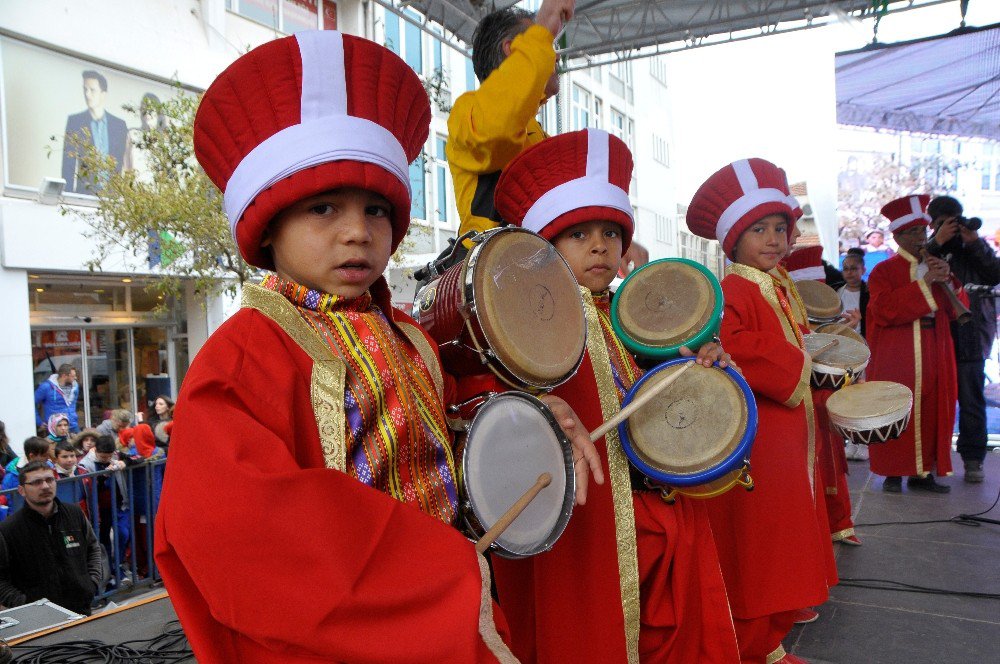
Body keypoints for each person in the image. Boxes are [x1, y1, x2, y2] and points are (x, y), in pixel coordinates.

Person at [154, 30, 601, 664]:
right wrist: (432, 568)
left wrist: (523, 419)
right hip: (345, 639)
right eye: (323, 208)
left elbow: (443, 436)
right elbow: (239, 531)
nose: (357, 233)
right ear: (267, 226)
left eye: (376, 210)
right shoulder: (242, 356)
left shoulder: (410, 337)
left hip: (450, 614)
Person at [454, 128, 739, 662]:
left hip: (643, 505)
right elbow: (487, 401)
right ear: (542, 247)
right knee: (582, 631)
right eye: (578, 233)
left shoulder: (630, 316)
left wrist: (700, 364)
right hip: (577, 519)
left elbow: (654, 387)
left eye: (610, 231)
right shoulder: (515, 316)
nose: (600, 245)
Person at [686, 158, 836, 664]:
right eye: (758, 229)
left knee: (783, 542)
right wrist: (800, 360)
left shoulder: (779, 287)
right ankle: (751, 647)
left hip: (789, 438)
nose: (773, 239)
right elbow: (733, 343)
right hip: (761, 441)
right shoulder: (734, 289)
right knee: (762, 547)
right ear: (733, 240)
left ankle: (768, 644)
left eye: (780, 228)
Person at [446, 0, 648, 273]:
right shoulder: (468, 111)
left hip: (541, 286)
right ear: (512, 50)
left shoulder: (540, 135)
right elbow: (499, 126)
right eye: (546, 46)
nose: (554, 56)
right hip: (492, 283)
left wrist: (617, 236)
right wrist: (542, 28)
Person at [867, 195, 965, 494]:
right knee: (898, 408)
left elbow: (957, 307)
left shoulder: (936, 264)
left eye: (923, 231)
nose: (920, 238)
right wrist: (925, 285)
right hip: (900, 350)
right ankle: (894, 472)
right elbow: (885, 309)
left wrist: (950, 283)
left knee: (933, 406)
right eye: (913, 233)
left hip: (935, 345)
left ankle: (924, 473)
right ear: (897, 236)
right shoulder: (884, 271)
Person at [925, 195, 1000, 483]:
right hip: (937, 330)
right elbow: (918, 264)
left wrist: (975, 243)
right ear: (933, 223)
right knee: (933, 396)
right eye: (943, 223)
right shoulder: (929, 246)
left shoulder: (972, 246)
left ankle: (972, 459)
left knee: (971, 397)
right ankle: (931, 458)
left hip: (972, 332)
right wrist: (937, 241)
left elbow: (995, 274)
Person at [0, 461, 103, 615]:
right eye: (36, 482)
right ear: (22, 490)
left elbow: (93, 548)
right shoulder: (8, 529)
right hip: (38, 619)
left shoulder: (75, 513)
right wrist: (23, 603)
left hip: (81, 608)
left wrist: (91, 583)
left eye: (49, 480)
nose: (45, 486)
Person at [61, 70, 129, 194]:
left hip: (113, 197)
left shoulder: (119, 125)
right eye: (85, 89)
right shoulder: (75, 122)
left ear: (103, 94)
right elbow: (68, 165)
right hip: (85, 195)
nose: (87, 94)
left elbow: (124, 163)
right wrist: (68, 198)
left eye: (92, 90)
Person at [35, 363, 80, 433]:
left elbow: (72, 405)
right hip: (55, 427)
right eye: (73, 376)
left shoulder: (75, 386)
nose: (75, 378)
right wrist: (39, 422)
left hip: (73, 425)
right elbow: (32, 404)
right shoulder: (46, 387)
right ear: (64, 376)